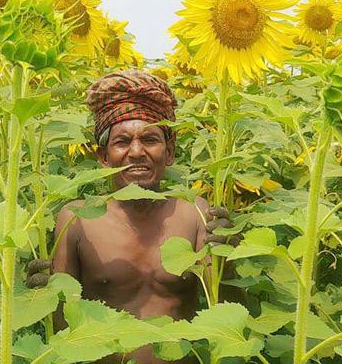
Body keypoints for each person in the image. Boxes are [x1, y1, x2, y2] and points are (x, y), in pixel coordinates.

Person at [25, 69, 234, 364]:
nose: (136, 152)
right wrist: (41, 297)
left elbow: (227, 312)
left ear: (170, 151)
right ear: (103, 157)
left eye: (150, 139)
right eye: (122, 142)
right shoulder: (77, 219)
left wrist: (229, 256)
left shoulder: (194, 212)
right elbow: (63, 329)